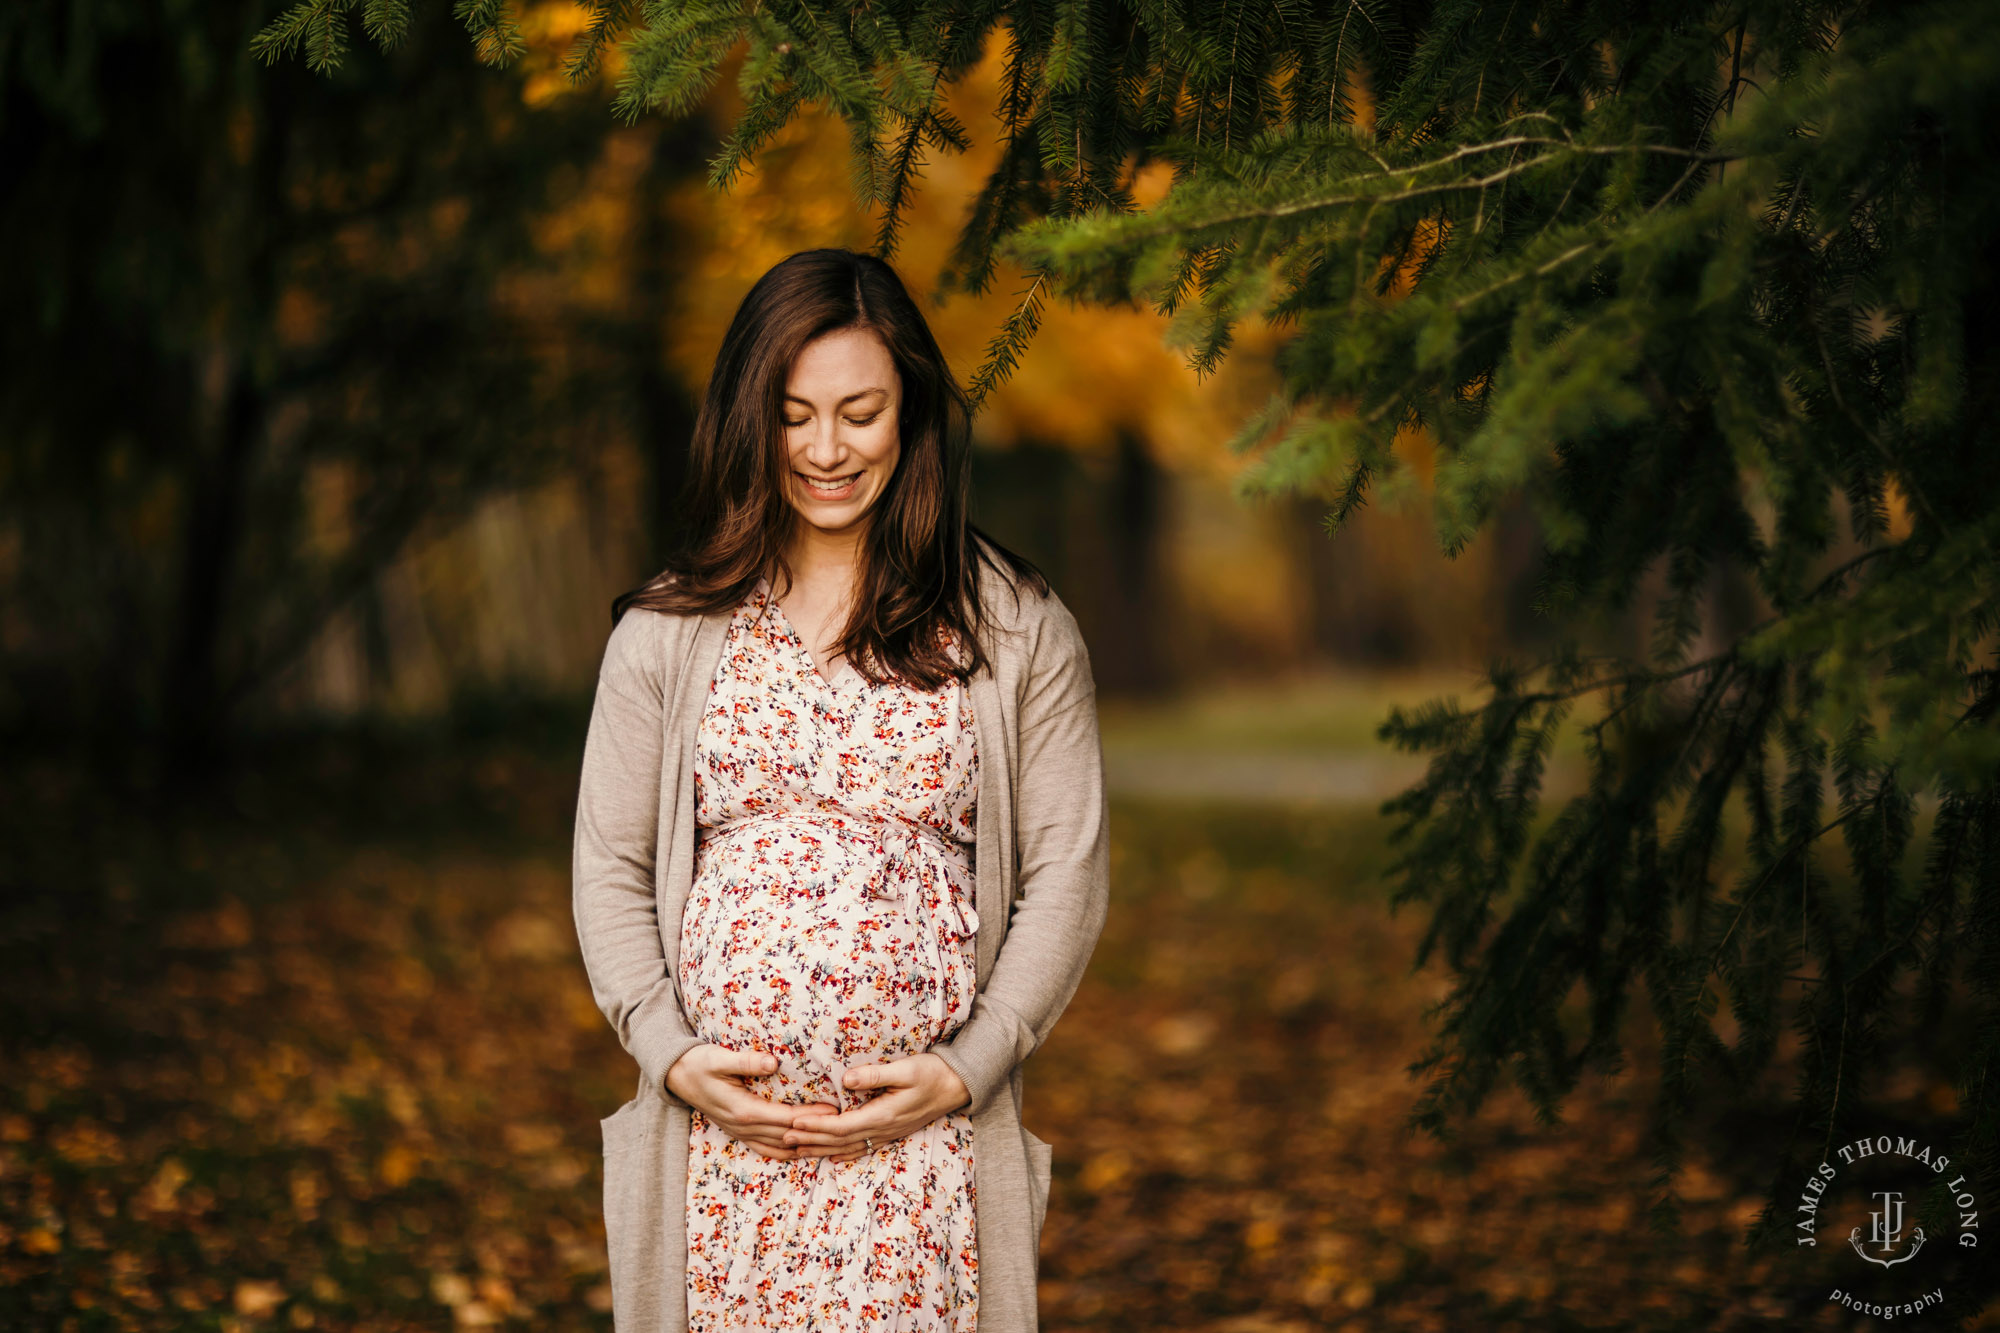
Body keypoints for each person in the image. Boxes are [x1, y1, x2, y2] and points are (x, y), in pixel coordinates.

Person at [572, 247, 1110, 1333]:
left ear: (909, 413)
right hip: (722, 1169)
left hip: (921, 1173)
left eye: (859, 413)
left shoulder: (1015, 628)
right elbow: (610, 865)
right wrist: (670, 1054)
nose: (825, 450)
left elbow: (1065, 871)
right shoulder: (667, 634)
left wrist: (970, 1066)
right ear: (748, 418)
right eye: (793, 414)